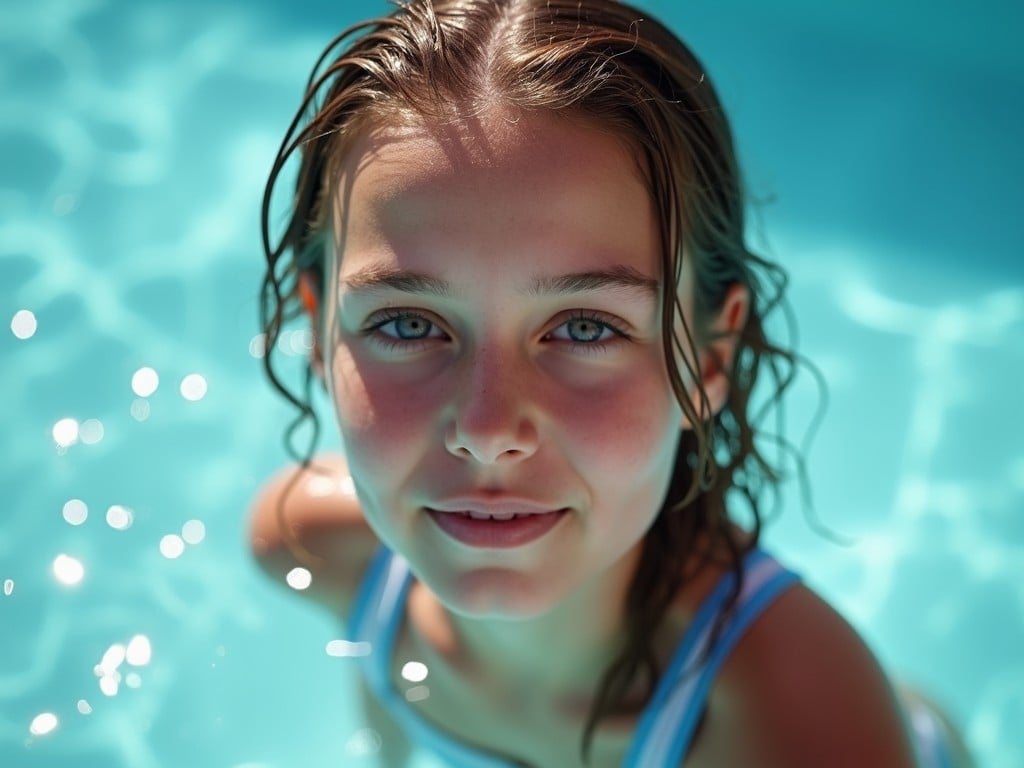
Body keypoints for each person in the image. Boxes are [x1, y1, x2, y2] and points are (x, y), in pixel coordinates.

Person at [249, 1, 973, 765]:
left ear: (711, 359)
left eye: (585, 328)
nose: (489, 430)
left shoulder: (795, 721)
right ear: (321, 333)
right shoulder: (317, 550)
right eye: (406, 323)